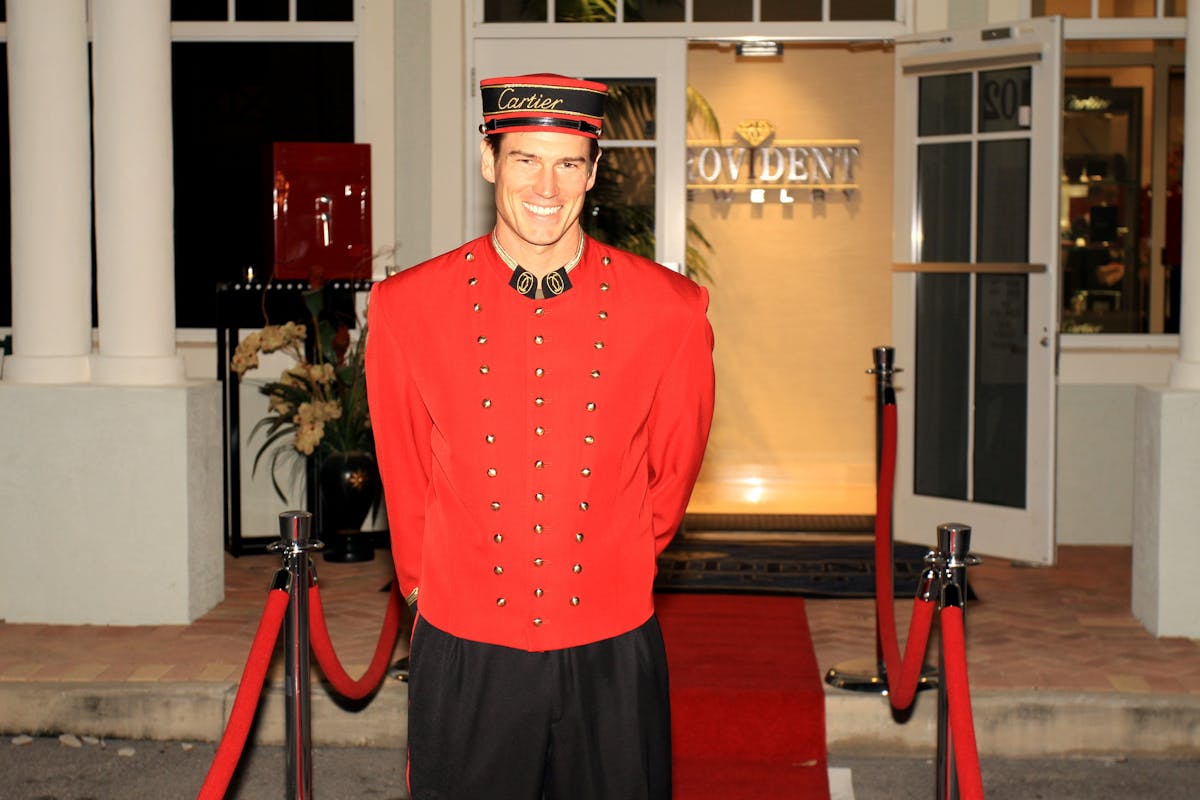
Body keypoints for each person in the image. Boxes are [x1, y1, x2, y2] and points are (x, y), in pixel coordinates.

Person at [365, 73, 715, 800]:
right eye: (525, 159)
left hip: (612, 640)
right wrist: (433, 593)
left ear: (593, 172)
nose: (546, 186)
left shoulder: (671, 309)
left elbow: (671, 476)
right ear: (490, 161)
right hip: (467, 638)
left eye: (566, 164)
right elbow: (406, 478)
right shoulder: (408, 307)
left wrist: (604, 559)